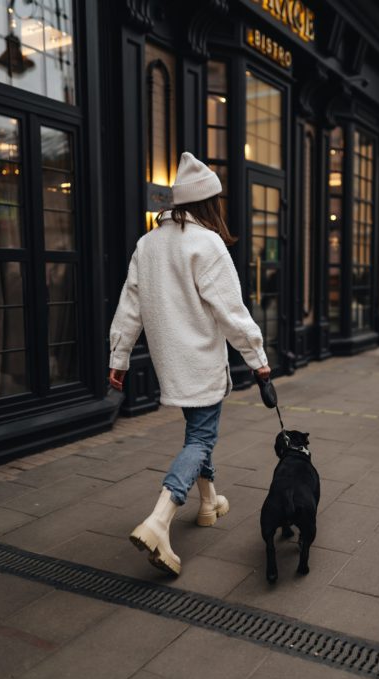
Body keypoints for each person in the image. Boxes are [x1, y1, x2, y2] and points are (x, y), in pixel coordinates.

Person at [108, 152, 271, 576]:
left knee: (197, 430)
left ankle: (209, 502)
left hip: (170, 361)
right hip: (200, 360)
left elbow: (130, 305)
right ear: (209, 203)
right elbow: (231, 312)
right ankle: (159, 521)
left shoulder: (148, 244)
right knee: (201, 439)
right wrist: (257, 358)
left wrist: (119, 356)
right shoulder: (207, 243)